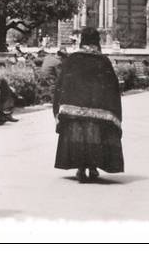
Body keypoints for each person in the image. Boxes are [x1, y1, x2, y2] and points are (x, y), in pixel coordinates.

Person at [53, 27, 124, 182]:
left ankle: (81, 168)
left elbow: (62, 83)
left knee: (79, 135)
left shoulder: (73, 59)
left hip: (75, 106)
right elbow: (112, 86)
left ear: (82, 40)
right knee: (95, 136)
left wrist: (61, 104)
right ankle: (93, 168)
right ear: (97, 41)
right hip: (99, 108)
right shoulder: (103, 61)